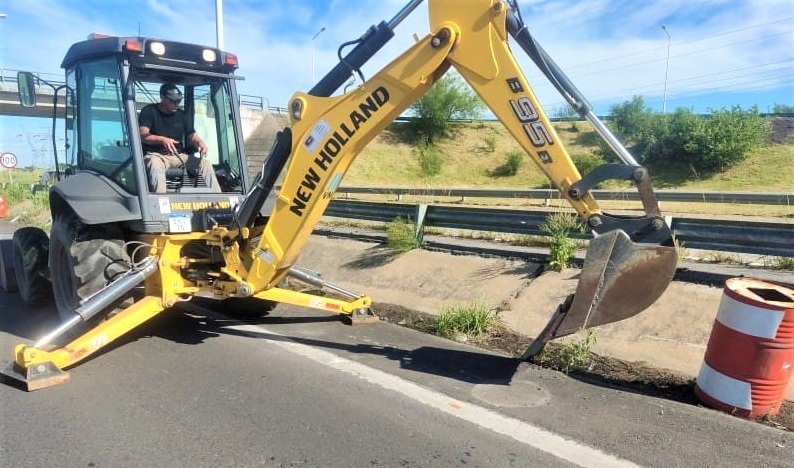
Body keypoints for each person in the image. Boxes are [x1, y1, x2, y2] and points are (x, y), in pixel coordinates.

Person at [138, 83, 221, 193]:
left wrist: (200, 143)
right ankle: (160, 203)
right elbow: (143, 135)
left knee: (205, 164)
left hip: (179, 155)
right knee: (155, 165)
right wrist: (162, 140)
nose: (176, 104)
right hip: (157, 155)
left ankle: (218, 202)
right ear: (162, 98)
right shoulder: (149, 111)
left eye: (178, 101)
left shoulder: (182, 115)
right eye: (173, 101)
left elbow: (192, 135)